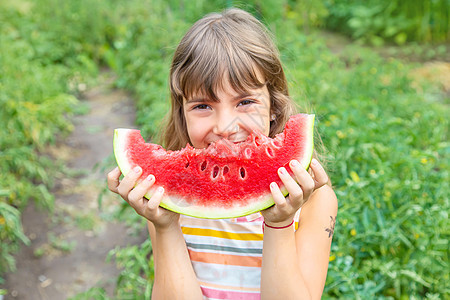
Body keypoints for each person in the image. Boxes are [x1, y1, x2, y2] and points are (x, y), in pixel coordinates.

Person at [107, 8, 337, 300]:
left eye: (245, 102)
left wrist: (279, 224)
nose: (225, 127)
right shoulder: (165, 197)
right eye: (203, 106)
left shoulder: (315, 201)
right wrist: (164, 227)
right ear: (182, 114)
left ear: (274, 107)